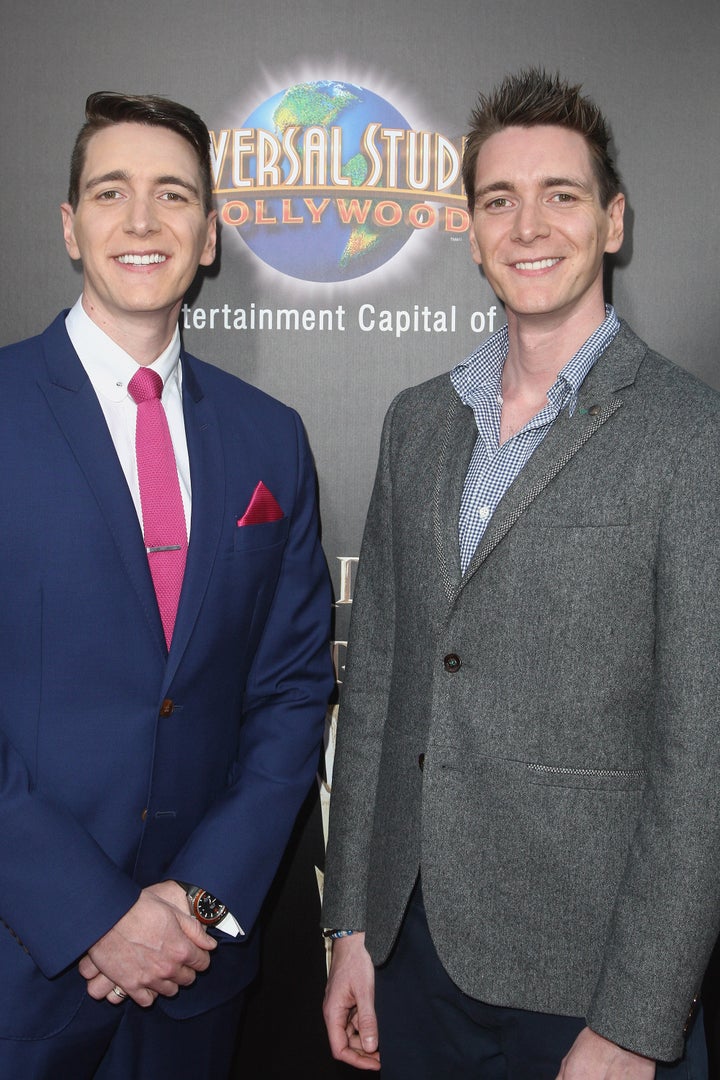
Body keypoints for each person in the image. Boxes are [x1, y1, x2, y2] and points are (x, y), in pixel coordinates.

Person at [321, 68, 720, 1079]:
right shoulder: (418, 421)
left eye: (562, 195)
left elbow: (702, 756)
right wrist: (352, 929)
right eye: (499, 200)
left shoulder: (692, 436)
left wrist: (637, 1019)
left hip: (592, 979)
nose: (529, 225)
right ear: (470, 229)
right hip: (414, 955)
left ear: (613, 220)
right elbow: (374, 695)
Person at [0, 91, 334, 1079]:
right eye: (111, 192)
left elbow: (289, 693)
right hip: (20, 967)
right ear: (69, 226)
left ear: (212, 234)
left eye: (172, 195)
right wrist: (92, 914)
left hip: (196, 982)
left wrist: (199, 904)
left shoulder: (270, 436)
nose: (142, 222)